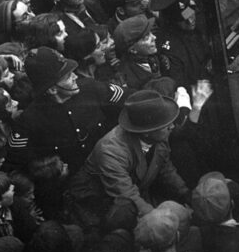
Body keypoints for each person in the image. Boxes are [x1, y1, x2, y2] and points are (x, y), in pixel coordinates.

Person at [68, 89, 190, 229]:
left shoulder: (159, 134)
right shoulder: (111, 150)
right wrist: (162, 223)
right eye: (166, 125)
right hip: (98, 204)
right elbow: (126, 195)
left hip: (135, 193)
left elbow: (165, 168)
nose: (172, 127)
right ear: (146, 132)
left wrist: (185, 193)